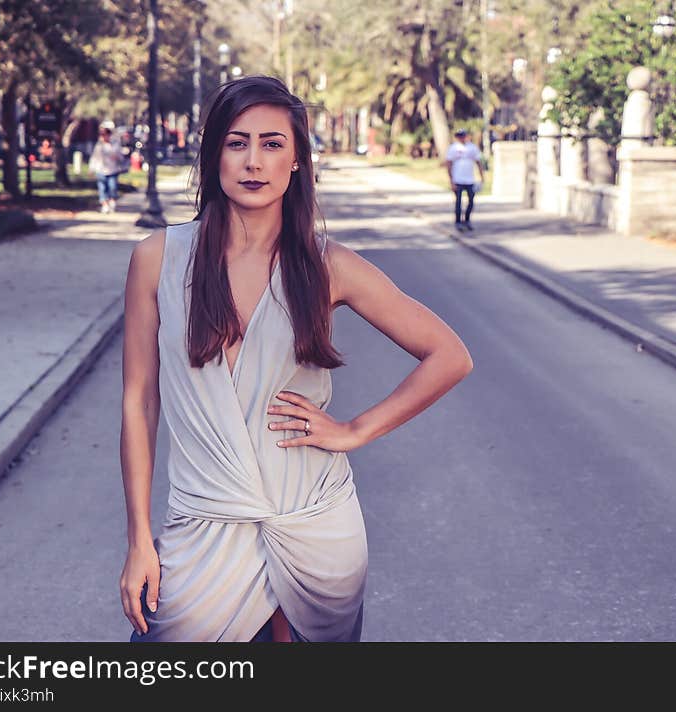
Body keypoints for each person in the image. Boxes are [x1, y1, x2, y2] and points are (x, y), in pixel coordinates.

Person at [119, 76, 473, 643]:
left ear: (298, 161)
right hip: (202, 528)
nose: (253, 161)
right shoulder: (157, 259)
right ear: (213, 156)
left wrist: (356, 430)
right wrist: (140, 538)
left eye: (272, 143)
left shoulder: (328, 265)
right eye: (236, 143)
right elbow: (139, 401)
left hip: (315, 529)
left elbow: (449, 355)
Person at [445, 128, 485, 232]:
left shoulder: (472, 148)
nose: (461, 138)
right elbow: (448, 164)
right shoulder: (453, 148)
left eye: (463, 135)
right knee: (458, 202)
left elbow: (478, 162)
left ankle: (467, 220)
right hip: (457, 179)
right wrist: (451, 180)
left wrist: (482, 177)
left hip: (469, 179)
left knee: (471, 201)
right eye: (459, 136)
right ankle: (458, 222)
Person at [89, 123, 124, 213]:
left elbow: (121, 157)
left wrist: (117, 157)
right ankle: (105, 205)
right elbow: (94, 157)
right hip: (100, 170)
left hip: (112, 170)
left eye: (105, 134)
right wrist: (91, 169)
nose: (104, 137)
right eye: (102, 135)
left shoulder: (115, 144)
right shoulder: (99, 145)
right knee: (102, 189)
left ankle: (112, 201)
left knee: (112, 187)